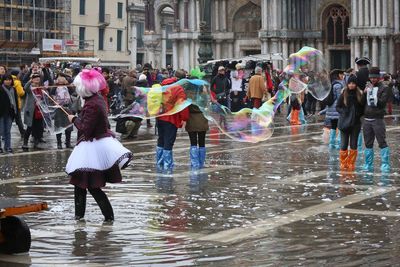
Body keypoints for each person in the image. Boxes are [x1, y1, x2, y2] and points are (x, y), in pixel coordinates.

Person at [66, 69, 133, 222]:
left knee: (90, 185)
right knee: (82, 184)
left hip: (90, 149)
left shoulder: (92, 105)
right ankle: (82, 218)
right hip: (94, 146)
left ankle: (106, 218)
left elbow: (85, 129)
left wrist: (73, 119)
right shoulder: (98, 99)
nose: (76, 90)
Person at [156, 77, 189, 173]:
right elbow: (182, 105)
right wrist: (184, 118)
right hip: (171, 118)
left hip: (160, 117)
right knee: (168, 141)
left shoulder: (162, 86)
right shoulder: (178, 89)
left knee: (161, 139)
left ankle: (159, 162)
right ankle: (167, 164)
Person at [362, 67, 391, 172]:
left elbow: (382, 103)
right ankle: (368, 164)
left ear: (379, 77)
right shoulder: (367, 87)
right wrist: (364, 93)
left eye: (375, 78)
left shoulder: (384, 88)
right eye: (371, 78)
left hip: (378, 118)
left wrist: (372, 93)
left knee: (381, 141)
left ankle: (385, 164)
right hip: (367, 119)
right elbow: (362, 103)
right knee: (368, 143)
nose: (373, 80)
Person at [336, 75, 364, 170]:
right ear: (347, 84)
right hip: (344, 123)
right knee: (343, 145)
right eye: (350, 83)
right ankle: (343, 163)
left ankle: (351, 163)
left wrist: (358, 113)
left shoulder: (359, 94)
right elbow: (338, 106)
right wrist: (344, 112)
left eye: (353, 83)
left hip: (355, 124)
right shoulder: (344, 94)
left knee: (353, 144)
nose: (351, 85)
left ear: (356, 84)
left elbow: (362, 107)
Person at [22, 73, 45, 150]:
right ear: (32, 79)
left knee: (38, 128)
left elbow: (43, 98)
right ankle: (25, 143)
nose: (37, 79)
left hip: (39, 110)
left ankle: (36, 143)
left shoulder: (41, 87)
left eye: (38, 77)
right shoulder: (30, 88)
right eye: (35, 78)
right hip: (31, 111)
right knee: (29, 127)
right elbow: (25, 88)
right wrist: (30, 81)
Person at [51, 73, 73, 149]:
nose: (61, 80)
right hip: (58, 108)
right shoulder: (55, 86)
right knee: (58, 126)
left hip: (67, 107)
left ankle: (68, 142)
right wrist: (56, 84)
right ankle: (59, 143)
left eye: (62, 78)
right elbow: (52, 92)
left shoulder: (67, 86)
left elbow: (72, 91)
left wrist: (67, 83)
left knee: (69, 127)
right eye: (59, 78)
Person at [185, 103, 209, 169]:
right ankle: (201, 163)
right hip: (202, 119)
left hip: (191, 120)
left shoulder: (188, 96)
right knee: (202, 143)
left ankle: (194, 163)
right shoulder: (203, 95)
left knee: (193, 143)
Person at [326, 69, 345, 149]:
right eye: (341, 74)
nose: (343, 76)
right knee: (340, 126)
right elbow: (339, 98)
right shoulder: (338, 85)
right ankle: (338, 144)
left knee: (333, 127)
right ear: (337, 75)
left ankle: (331, 143)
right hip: (337, 109)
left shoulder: (331, 84)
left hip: (331, 109)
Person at [0, 74, 19, 153]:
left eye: (9, 79)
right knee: (1, 131)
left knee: (7, 131)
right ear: (3, 81)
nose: (8, 81)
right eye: (6, 80)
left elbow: (16, 101)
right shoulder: (0, 89)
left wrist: (16, 111)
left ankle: (8, 146)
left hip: (10, 113)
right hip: (1, 113)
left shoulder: (13, 89)